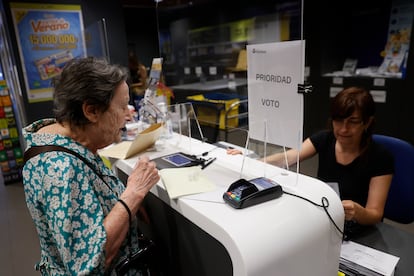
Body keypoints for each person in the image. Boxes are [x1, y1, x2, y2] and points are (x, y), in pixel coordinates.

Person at [22, 57, 160, 275]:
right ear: (91, 111)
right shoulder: (60, 169)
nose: (129, 113)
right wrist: (133, 194)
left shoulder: (62, 141)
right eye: (122, 106)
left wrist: (117, 201)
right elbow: (88, 266)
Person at [228, 87, 394, 231]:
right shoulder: (325, 139)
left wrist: (358, 212)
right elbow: (288, 158)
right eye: (338, 120)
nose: (343, 129)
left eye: (353, 122)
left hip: (358, 227)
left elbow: (375, 214)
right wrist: (249, 160)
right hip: (325, 217)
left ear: (367, 122)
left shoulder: (380, 157)